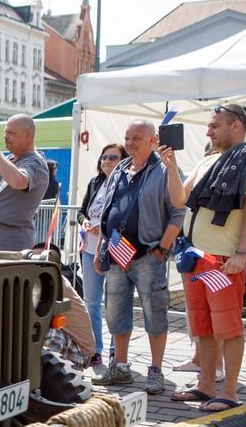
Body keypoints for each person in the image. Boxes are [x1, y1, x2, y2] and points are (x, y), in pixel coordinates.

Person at [163, 104, 246, 411]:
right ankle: (206, 385)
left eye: (214, 125)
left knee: (228, 327)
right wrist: (170, 165)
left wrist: (242, 253)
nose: (208, 131)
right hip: (195, 256)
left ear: (236, 126)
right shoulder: (208, 160)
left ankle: (229, 392)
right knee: (203, 326)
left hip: (223, 259)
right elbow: (179, 199)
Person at [93, 119, 184, 395]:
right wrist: (101, 248)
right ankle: (120, 367)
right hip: (117, 253)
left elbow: (178, 213)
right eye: (128, 138)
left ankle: (155, 371)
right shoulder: (120, 168)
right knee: (115, 312)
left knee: (154, 312)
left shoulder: (165, 169)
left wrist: (161, 250)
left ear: (153, 140)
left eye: (137, 138)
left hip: (147, 254)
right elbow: (107, 211)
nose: (130, 143)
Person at [0, 114, 50, 251]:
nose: (5, 137)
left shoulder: (36, 163)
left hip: (11, 246)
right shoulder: (11, 159)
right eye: (5, 132)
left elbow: (18, 181)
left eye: (11, 133)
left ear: (28, 135)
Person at [77, 143, 127, 365]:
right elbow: (81, 212)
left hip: (116, 248)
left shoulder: (126, 184)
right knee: (92, 302)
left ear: (123, 161)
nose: (106, 161)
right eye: (104, 156)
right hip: (89, 248)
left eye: (113, 157)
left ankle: (118, 352)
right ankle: (95, 349)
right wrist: (86, 221)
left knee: (116, 302)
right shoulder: (95, 181)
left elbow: (126, 216)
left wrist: (105, 228)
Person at [34, 244, 95, 369]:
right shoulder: (41, 281)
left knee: (46, 334)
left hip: (80, 352)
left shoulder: (55, 284)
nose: (34, 264)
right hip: (70, 343)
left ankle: (34, 372)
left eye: (40, 260)